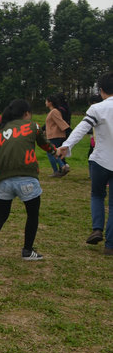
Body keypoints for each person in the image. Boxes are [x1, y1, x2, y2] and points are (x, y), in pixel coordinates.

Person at [0, 99, 57, 263]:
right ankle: (27, 250)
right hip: (26, 177)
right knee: (32, 214)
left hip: (3, 179)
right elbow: (45, 144)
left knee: (1, 215)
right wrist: (56, 152)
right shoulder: (33, 126)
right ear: (26, 113)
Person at [57, 72, 113, 254]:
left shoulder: (97, 108)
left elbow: (82, 128)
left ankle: (97, 229)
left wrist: (66, 145)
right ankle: (110, 246)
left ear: (101, 90)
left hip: (100, 161)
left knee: (97, 195)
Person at [44, 94, 71, 177]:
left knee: (51, 153)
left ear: (50, 103)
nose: (45, 102)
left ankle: (61, 168)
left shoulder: (54, 111)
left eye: (46, 101)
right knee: (54, 153)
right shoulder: (53, 111)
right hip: (53, 135)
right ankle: (61, 167)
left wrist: (68, 130)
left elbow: (60, 122)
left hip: (55, 135)